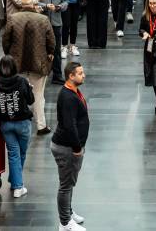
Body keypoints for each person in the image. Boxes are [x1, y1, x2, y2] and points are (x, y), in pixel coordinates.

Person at [1, 4, 56, 135]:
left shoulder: (13, 18)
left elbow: (6, 40)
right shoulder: (43, 19)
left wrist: (8, 54)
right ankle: (41, 126)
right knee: (38, 95)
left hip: (17, 64)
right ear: (33, 5)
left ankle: (17, 122)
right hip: (38, 64)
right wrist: (50, 52)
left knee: (16, 94)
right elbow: (51, 41)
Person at [51, 62, 89, 231]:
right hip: (67, 148)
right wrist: (77, 148)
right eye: (80, 73)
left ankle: (68, 212)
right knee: (66, 186)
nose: (83, 75)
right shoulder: (68, 97)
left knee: (69, 183)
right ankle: (65, 222)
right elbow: (69, 125)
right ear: (70, 76)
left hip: (70, 146)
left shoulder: (73, 92)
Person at [0, 55, 35, 199]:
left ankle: (15, 180)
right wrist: (29, 89)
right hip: (23, 123)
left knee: (13, 154)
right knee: (21, 153)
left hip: (6, 124)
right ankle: (18, 187)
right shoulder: (22, 81)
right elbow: (31, 100)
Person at [34, 0, 67, 84]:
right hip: (42, 24)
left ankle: (57, 75)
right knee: (41, 50)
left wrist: (59, 7)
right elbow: (34, 2)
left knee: (56, 50)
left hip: (56, 23)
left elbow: (66, 2)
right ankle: (41, 75)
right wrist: (46, 6)